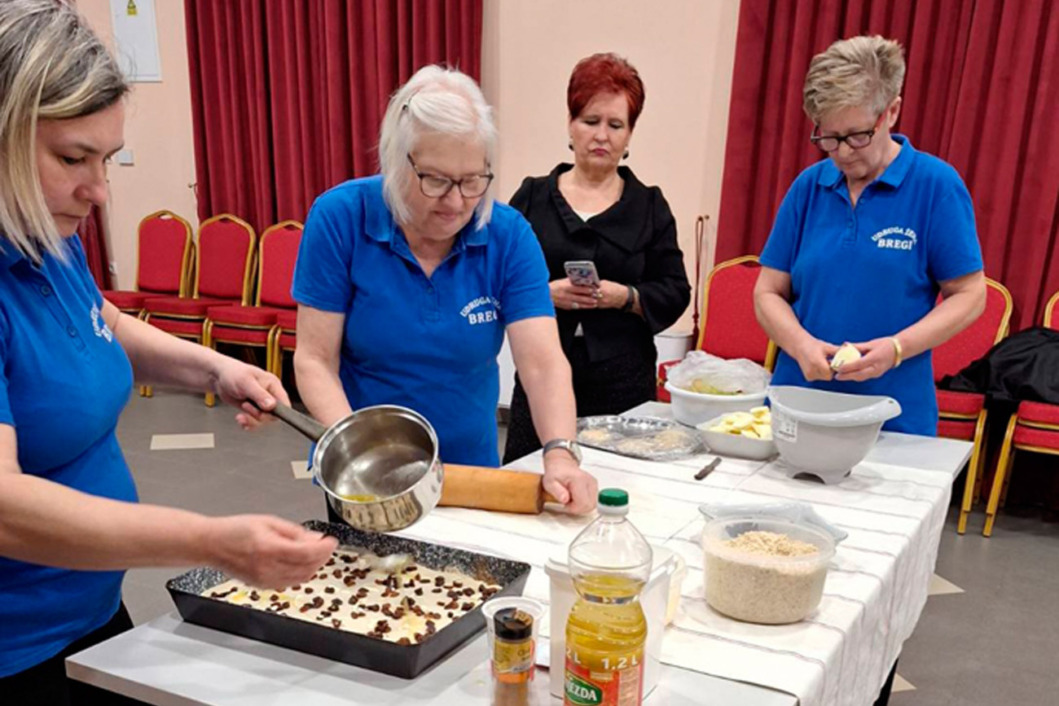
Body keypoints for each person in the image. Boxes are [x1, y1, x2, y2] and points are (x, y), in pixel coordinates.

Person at [0, 2, 337, 700]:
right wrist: (210, 543)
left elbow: (102, 326)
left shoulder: (45, 230)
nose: (98, 191)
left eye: (106, 158)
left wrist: (214, 366)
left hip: (89, 611)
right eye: (72, 158)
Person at [292, 65, 598, 515]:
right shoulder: (340, 218)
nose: (456, 202)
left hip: (472, 475)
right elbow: (315, 359)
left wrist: (560, 452)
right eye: (435, 180)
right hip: (367, 474)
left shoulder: (507, 235)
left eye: (473, 180)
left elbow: (543, 363)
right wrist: (359, 455)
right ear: (397, 162)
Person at [754, 35, 986, 435]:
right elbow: (767, 291)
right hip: (798, 406)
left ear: (891, 112)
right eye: (828, 138)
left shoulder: (935, 186)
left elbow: (970, 295)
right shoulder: (809, 187)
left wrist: (897, 349)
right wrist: (799, 345)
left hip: (893, 415)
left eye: (857, 135)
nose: (842, 153)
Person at [501, 53, 691, 463]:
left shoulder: (650, 205)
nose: (601, 135)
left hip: (623, 377)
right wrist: (543, 294)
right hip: (541, 370)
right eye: (590, 121)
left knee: (618, 487)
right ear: (570, 125)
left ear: (630, 135)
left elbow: (676, 290)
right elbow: (493, 280)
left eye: (615, 125)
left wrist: (623, 296)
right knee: (528, 484)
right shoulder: (532, 197)